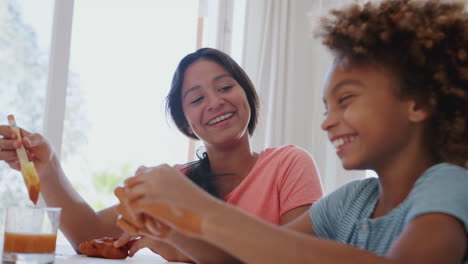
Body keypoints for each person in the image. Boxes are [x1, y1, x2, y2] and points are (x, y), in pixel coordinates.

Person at [115, 0, 468, 263]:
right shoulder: (349, 203)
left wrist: (200, 210)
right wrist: (174, 228)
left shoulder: (449, 184)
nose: (327, 121)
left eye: (346, 100)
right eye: (326, 108)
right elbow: (253, 256)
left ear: (417, 103)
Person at [0, 48, 323, 262]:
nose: (215, 102)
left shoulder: (288, 163)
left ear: (246, 96)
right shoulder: (176, 181)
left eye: (225, 87)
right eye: (196, 99)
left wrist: (177, 243)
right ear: (187, 123)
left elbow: (293, 256)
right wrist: (48, 167)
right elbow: (89, 236)